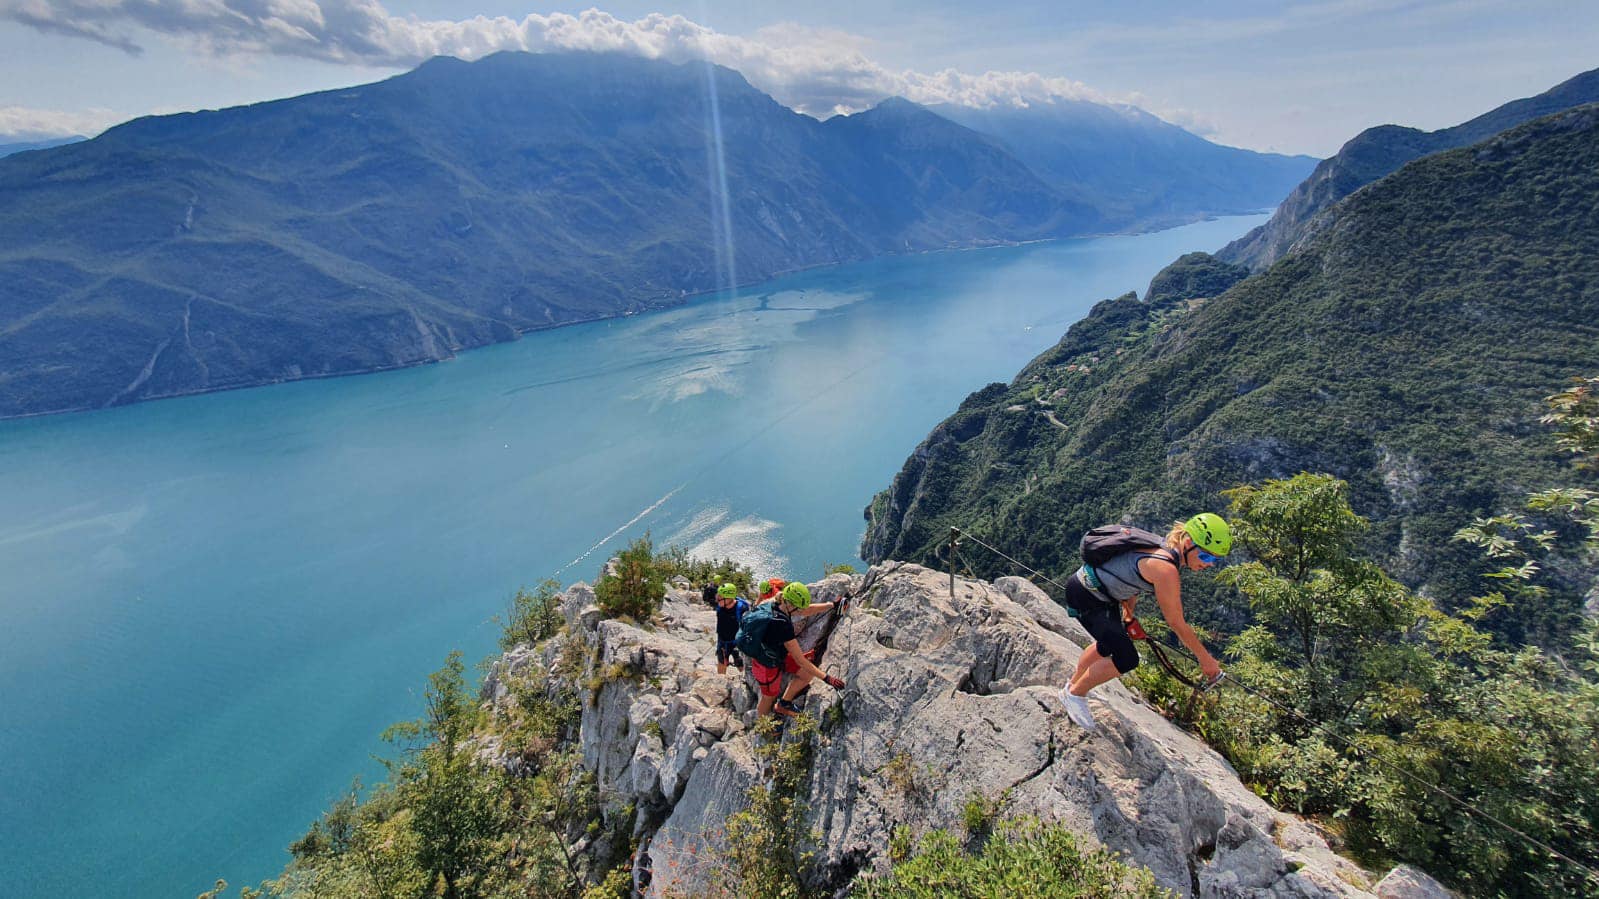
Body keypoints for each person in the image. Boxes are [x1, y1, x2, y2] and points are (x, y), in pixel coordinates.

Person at [1059, 513, 1230, 730]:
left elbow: (1133, 581)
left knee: (1107, 645)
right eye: (1206, 556)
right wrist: (1205, 659)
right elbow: (1176, 622)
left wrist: (1128, 617)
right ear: (1188, 543)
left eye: (1215, 560)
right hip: (1089, 597)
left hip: (1092, 589)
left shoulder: (1162, 547)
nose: (1209, 564)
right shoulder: (1166, 569)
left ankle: (1073, 684)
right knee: (1127, 659)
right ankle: (1074, 694)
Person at [741, 581, 845, 717]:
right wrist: (827, 678)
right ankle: (763, 724)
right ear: (790, 605)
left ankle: (784, 704)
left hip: (776, 652)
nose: (801, 611)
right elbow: (800, 660)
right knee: (768, 697)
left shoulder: (774, 603)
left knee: (806, 674)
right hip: (765, 664)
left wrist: (831, 605)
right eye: (799, 609)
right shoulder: (782, 625)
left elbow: (807, 610)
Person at [713, 582, 749, 674]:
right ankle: (720, 681)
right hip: (722, 641)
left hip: (737, 643)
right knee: (721, 662)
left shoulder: (741, 609)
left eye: (720, 597)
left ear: (729, 598)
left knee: (740, 663)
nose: (717, 599)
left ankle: (745, 678)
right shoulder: (721, 606)